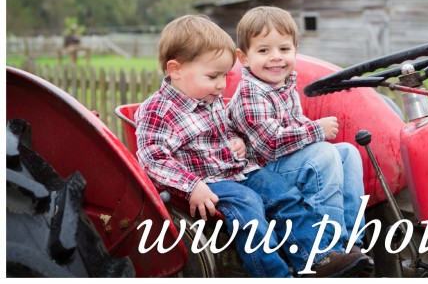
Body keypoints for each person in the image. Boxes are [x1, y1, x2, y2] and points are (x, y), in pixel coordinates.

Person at [134, 15, 370, 277]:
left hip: (237, 171)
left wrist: (235, 141)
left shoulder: (207, 97)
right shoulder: (158, 110)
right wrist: (192, 186)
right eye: (214, 76)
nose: (222, 85)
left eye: (224, 75)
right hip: (206, 182)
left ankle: (316, 258)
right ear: (176, 70)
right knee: (248, 206)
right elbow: (152, 159)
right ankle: (273, 274)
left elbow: (229, 129)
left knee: (284, 194)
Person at [228, 6, 366, 249]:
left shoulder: (284, 86)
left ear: (295, 51)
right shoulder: (251, 92)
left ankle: (354, 240)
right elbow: (270, 144)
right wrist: (317, 131)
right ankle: (328, 247)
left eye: (284, 49)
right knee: (324, 155)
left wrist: (313, 131)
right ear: (244, 58)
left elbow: (296, 124)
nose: (276, 57)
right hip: (261, 170)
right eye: (264, 50)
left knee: (348, 153)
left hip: (282, 160)